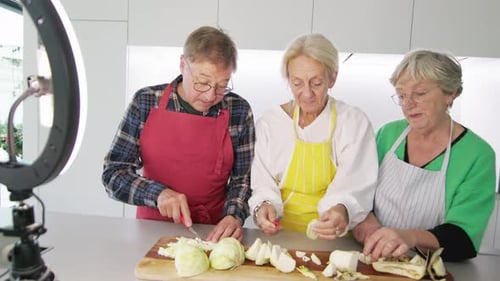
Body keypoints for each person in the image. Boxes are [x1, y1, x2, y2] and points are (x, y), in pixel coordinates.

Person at [102, 26, 255, 242]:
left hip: (212, 233)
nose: (211, 95)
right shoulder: (145, 102)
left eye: (222, 86)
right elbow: (113, 174)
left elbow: (242, 180)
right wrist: (157, 193)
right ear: (183, 64)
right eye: (202, 82)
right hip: (151, 231)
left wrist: (233, 216)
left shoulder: (239, 111)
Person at [353, 50, 497, 261]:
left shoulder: (477, 155)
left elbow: (463, 239)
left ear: (450, 94)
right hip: (374, 258)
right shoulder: (388, 135)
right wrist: (364, 219)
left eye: (419, 94)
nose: (408, 104)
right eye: (401, 95)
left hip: (432, 267)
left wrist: (409, 237)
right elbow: (360, 192)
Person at [248, 33, 378, 239]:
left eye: (316, 83)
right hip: (278, 237)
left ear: (332, 78)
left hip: (333, 240)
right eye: (297, 83)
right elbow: (263, 182)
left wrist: (340, 211)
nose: (307, 94)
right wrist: (263, 206)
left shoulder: (353, 123)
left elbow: (355, 187)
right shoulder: (271, 123)